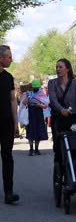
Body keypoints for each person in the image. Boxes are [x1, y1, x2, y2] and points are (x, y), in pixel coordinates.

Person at [48, 58, 76, 164]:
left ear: (67, 69)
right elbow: (53, 100)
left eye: (60, 67)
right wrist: (61, 109)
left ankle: (75, 167)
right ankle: (59, 167)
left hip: (73, 118)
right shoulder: (52, 83)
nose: (58, 69)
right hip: (58, 119)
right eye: (57, 67)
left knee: (75, 145)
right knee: (58, 146)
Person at [0, 45, 20, 204]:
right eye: (9, 56)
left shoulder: (8, 77)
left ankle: (9, 192)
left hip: (6, 123)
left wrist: (16, 123)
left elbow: (13, 100)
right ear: (1, 58)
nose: (11, 59)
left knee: (7, 156)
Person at [22, 79, 49, 156]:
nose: (37, 88)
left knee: (38, 131)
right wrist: (27, 96)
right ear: (31, 87)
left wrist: (40, 105)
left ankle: (36, 149)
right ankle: (31, 149)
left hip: (39, 114)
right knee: (30, 131)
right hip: (30, 114)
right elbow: (24, 103)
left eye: (37, 87)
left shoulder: (41, 93)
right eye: (35, 87)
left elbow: (46, 105)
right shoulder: (27, 93)